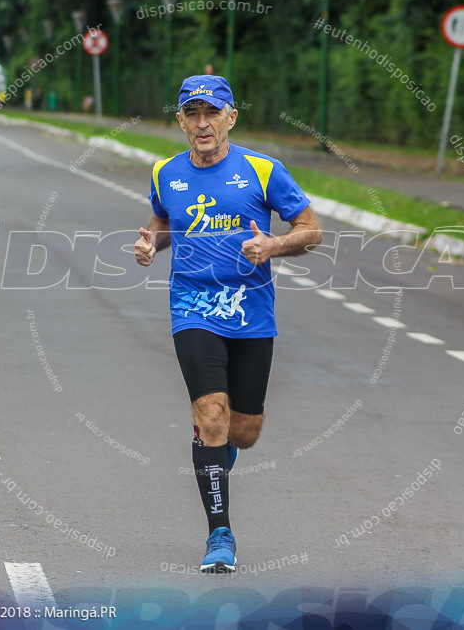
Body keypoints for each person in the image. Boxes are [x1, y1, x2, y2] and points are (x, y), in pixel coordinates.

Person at [134, 75, 322, 573]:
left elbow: (311, 229)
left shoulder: (263, 171)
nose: (202, 123)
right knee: (212, 416)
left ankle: (213, 454)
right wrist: (152, 244)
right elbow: (163, 224)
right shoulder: (164, 174)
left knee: (244, 432)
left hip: (251, 312)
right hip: (192, 307)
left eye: (211, 113)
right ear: (179, 120)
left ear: (230, 118)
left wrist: (275, 245)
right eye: (192, 114)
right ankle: (221, 534)